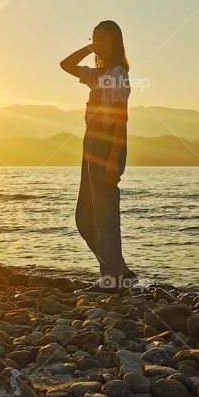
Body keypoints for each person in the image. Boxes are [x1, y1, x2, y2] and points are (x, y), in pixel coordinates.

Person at [60, 20, 137, 293]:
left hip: (107, 147)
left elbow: (121, 120)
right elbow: (65, 65)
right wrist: (88, 47)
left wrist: (112, 160)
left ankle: (112, 278)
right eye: (95, 40)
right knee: (85, 219)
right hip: (90, 145)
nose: (98, 45)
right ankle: (119, 271)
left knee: (104, 217)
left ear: (115, 42)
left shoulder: (117, 74)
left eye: (103, 40)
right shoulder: (99, 74)